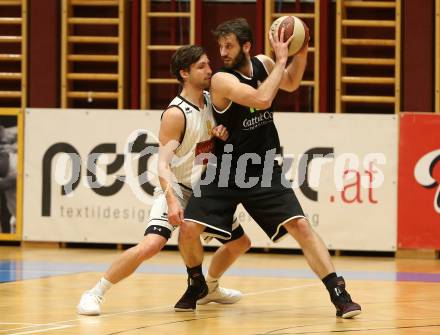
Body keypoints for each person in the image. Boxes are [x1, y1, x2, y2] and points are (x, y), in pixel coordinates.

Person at [174, 18, 361, 319]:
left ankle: (338, 293)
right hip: (224, 169)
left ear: (246, 46)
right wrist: (282, 60)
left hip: (261, 168)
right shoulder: (222, 79)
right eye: (220, 46)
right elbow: (261, 99)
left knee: (300, 225)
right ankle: (196, 282)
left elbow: (290, 82)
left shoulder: (262, 63)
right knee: (188, 228)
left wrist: (302, 51)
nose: (222, 51)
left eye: (229, 45)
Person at [77, 45, 251, 315]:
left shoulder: (212, 100)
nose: (209, 70)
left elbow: (214, 145)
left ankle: (210, 287)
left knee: (241, 243)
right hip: (178, 188)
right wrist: (171, 200)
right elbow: (162, 162)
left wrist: (222, 136)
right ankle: (95, 292)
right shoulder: (176, 113)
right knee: (152, 244)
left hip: (205, 191)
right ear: (184, 73)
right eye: (202, 66)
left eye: (209, 64)